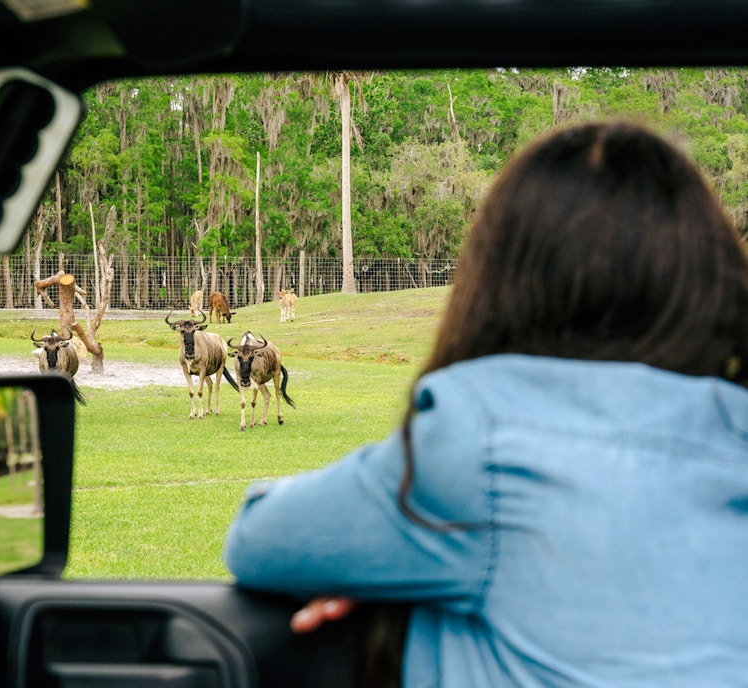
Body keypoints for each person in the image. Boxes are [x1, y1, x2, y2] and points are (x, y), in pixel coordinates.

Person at [222, 120, 748, 686]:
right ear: (707, 277)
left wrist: (385, 586)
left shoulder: (480, 441)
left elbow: (260, 538)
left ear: (503, 275)